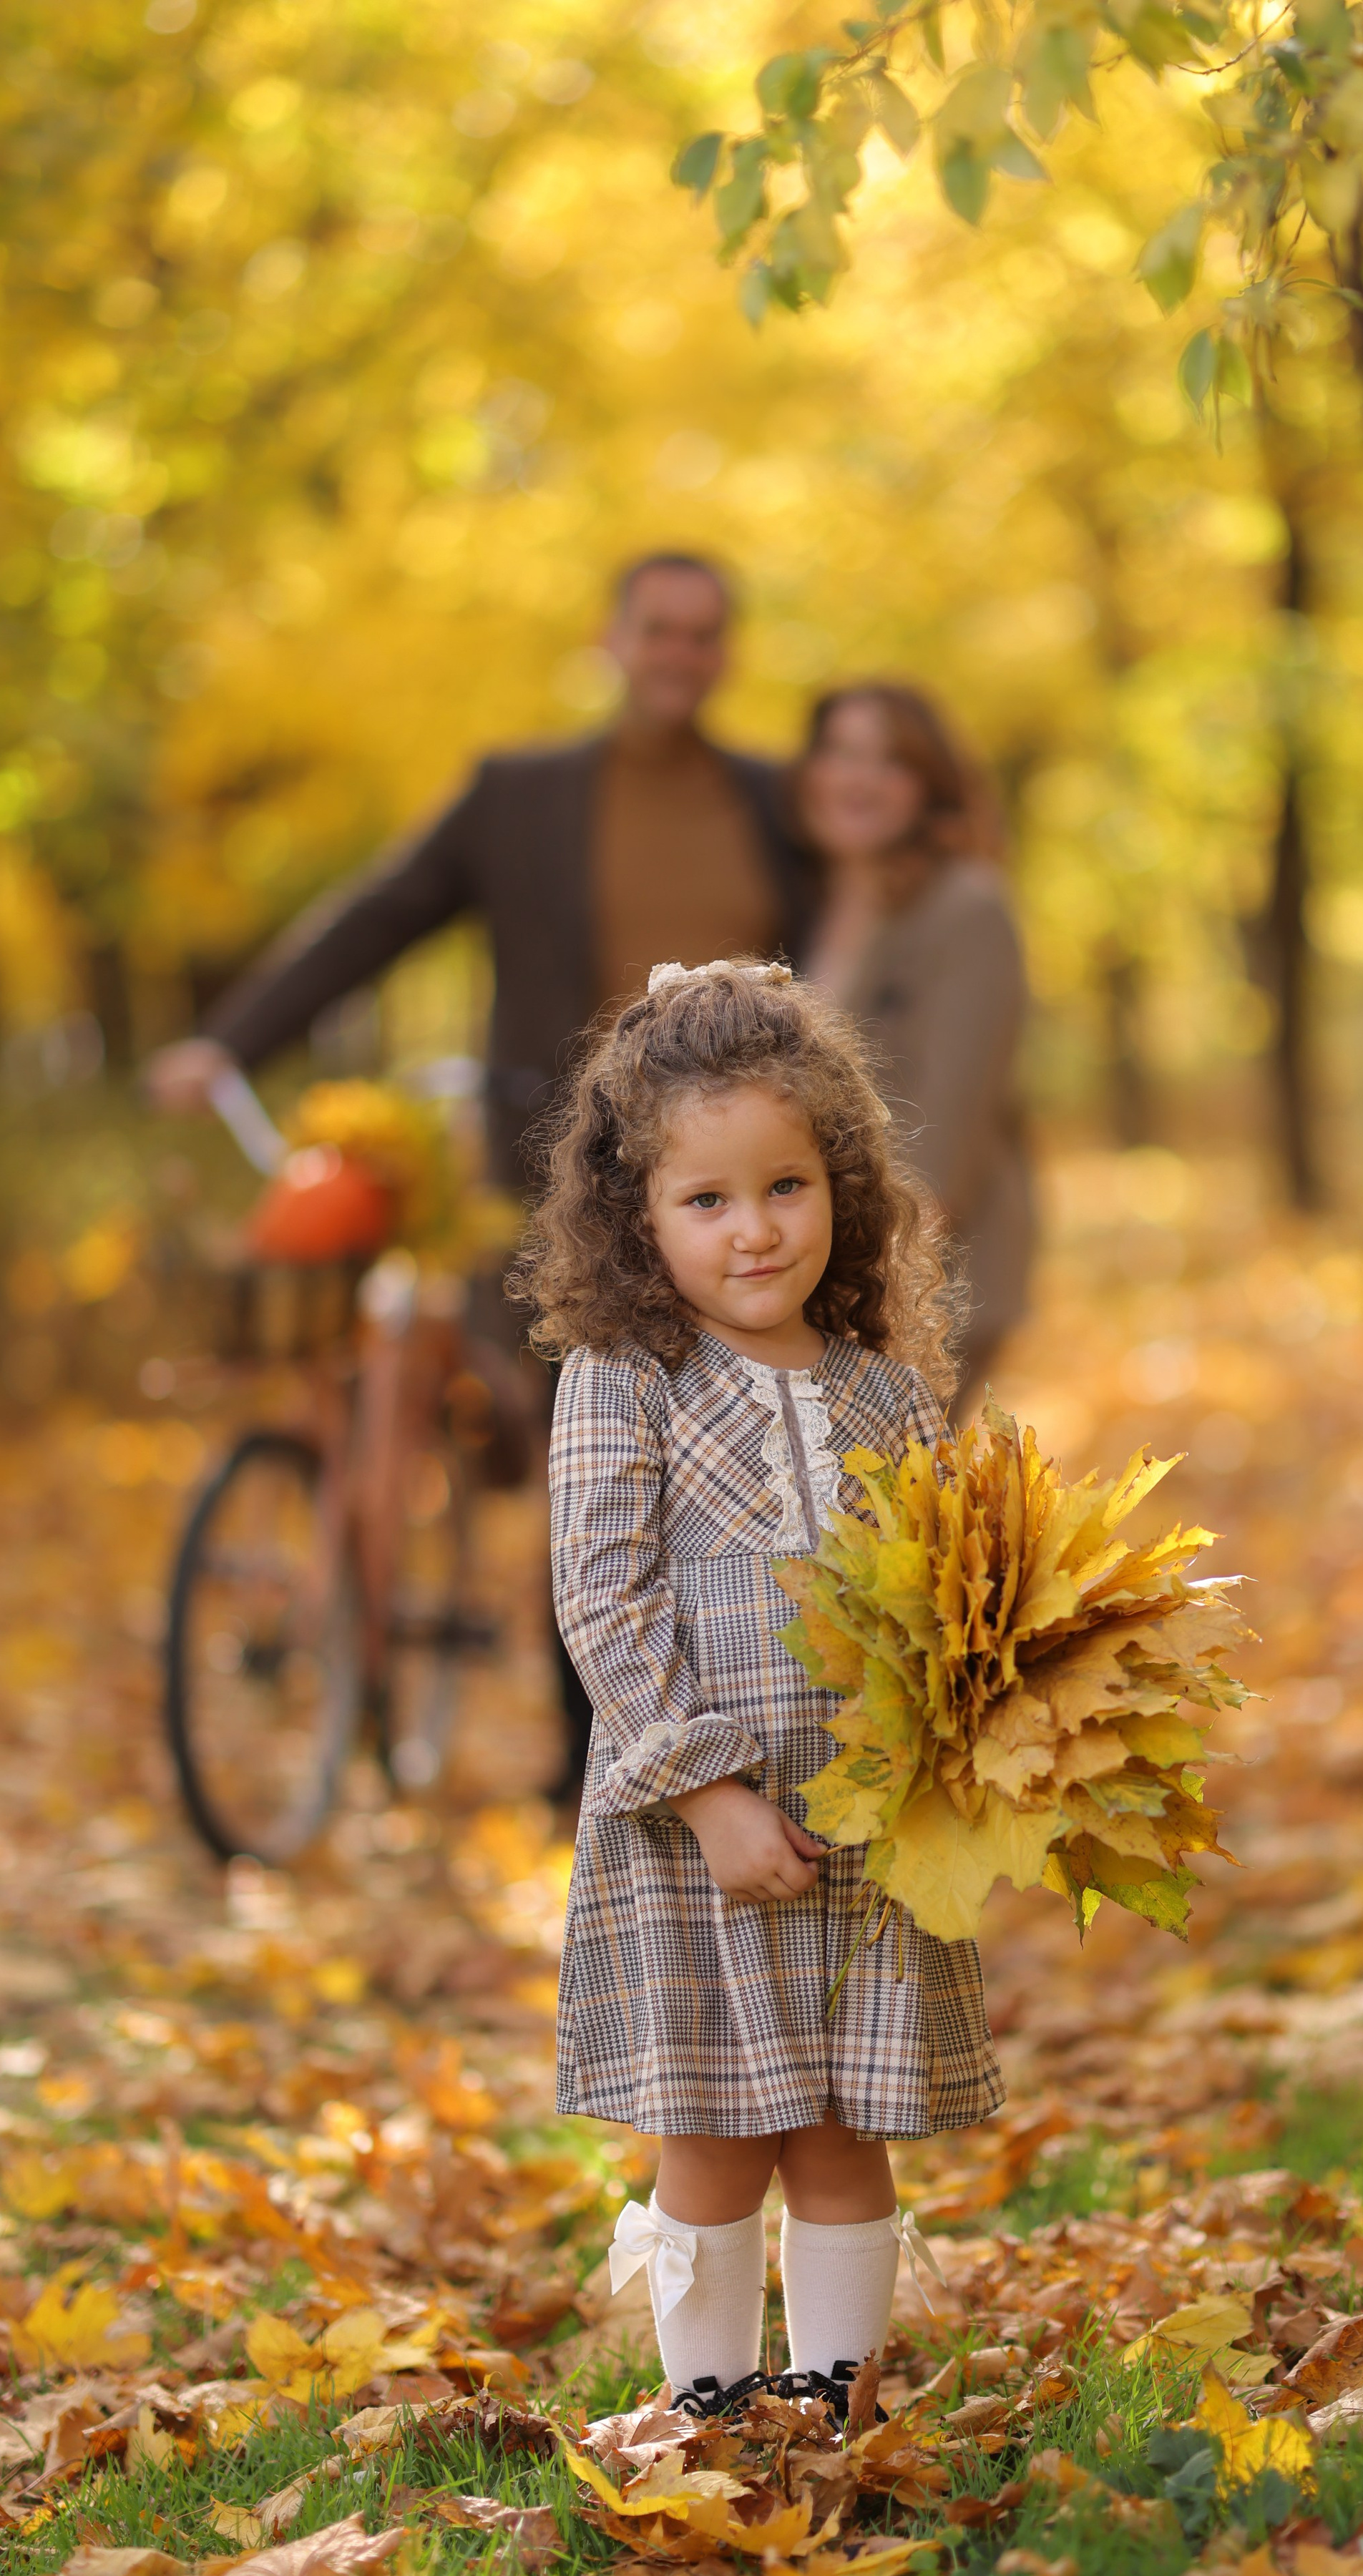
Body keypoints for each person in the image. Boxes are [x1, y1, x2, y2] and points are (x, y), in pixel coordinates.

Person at [145, 554, 816, 1795]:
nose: (681, 653)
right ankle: (593, 1761)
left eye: (704, 632)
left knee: (741, 1455)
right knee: (601, 1457)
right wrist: (230, 1042)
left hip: (750, 1178)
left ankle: (758, 1739)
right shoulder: (520, 796)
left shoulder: (778, 802)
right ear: (612, 639)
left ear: (727, 651)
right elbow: (376, 916)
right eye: (660, 629)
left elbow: (865, 938)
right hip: (573, 1174)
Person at [520, 960, 1002, 2411]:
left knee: (846, 2127)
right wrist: (710, 1794)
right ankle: (710, 2406)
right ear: (638, 1215)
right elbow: (601, 1600)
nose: (755, 1228)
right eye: (707, 1198)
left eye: (786, 1185)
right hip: (704, 1829)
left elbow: (941, 1588)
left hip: (859, 1820)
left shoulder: (881, 1389)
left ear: (841, 1181)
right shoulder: (626, 1376)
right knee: (719, 2132)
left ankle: (834, 2396)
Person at [796, 682, 1033, 1413]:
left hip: (920, 1284)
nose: (859, 779)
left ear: (928, 785)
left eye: (889, 761)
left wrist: (871, 1304)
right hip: (825, 1279)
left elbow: (945, 1144)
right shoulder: (816, 904)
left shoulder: (966, 907)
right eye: (841, 753)